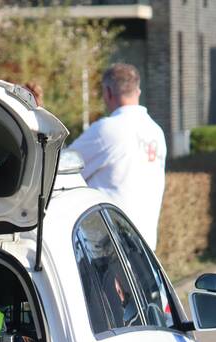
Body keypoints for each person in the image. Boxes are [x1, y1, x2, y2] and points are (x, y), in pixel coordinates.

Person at [67, 63, 167, 250]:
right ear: (138, 90)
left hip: (109, 249)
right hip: (144, 250)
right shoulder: (156, 132)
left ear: (107, 92)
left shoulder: (107, 130)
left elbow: (60, 168)